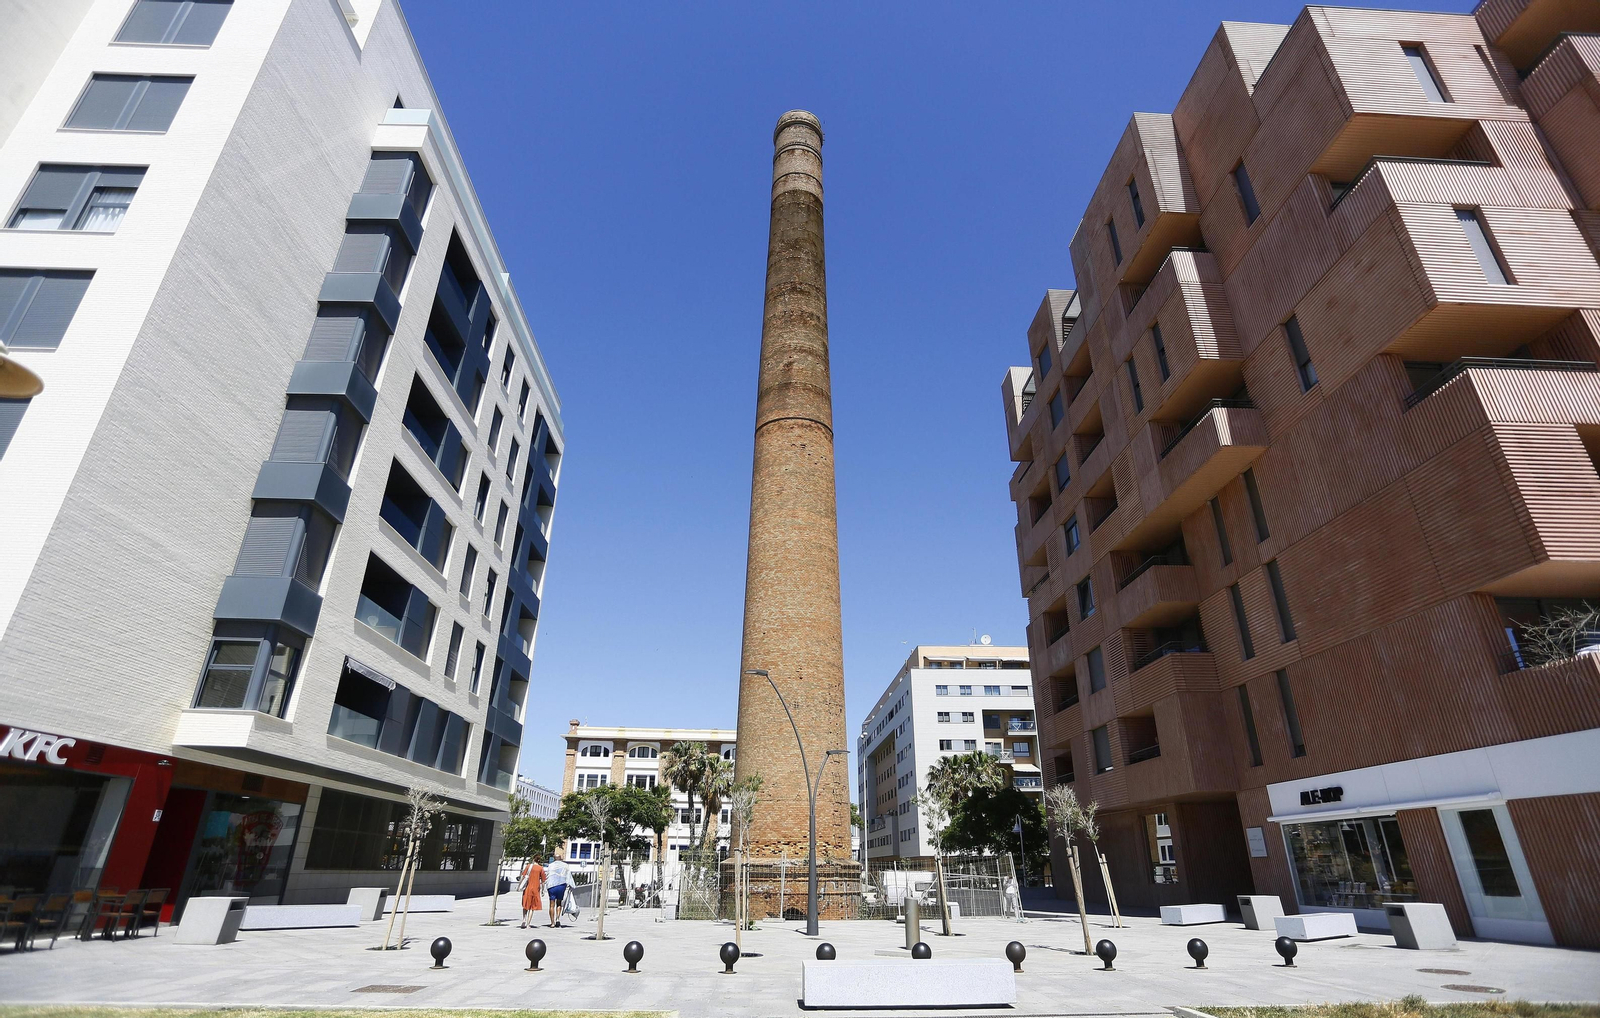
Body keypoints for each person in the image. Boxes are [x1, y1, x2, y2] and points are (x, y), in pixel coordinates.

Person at [545, 848, 572, 928]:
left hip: (552, 886)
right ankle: (557, 919)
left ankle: (552, 922)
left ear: (554, 859)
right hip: (561, 885)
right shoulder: (566, 865)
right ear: (560, 858)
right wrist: (571, 885)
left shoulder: (551, 865)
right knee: (559, 903)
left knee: (551, 904)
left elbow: (548, 875)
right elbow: (569, 876)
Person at [518, 856, 545, 929]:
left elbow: (523, 876)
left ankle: (524, 919)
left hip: (527, 888)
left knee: (525, 905)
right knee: (532, 908)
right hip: (536, 889)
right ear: (539, 861)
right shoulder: (541, 868)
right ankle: (528, 924)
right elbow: (543, 881)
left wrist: (519, 885)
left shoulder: (528, 866)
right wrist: (543, 890)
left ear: (533, 860)